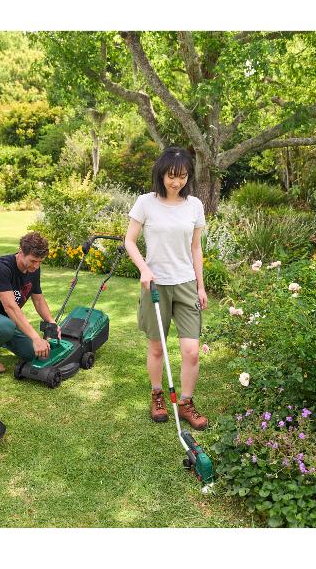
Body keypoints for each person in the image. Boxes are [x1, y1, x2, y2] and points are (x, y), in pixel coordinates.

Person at [124, 147, 209, 430]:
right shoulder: (145, 203)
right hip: (156, 284)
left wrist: (200, 286)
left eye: (182, 177)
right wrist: (144, 269)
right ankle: (157, 395)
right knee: (157, 348)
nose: (177, 182)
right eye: (172, 176)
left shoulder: (194, 205)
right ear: (161, 174)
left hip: (185, 284)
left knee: (191, 351)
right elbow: (129, 241)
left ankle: (185, 403)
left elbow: (196, 248)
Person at [0, 231, 60, 373]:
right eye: (33, 261)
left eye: (40, 262)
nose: (36, 266)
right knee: (5, 327)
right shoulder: (0, 267)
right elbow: (10, 307)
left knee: (34, 354)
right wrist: (36, 338)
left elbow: (38, 299)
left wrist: (52, 322)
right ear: (21, 251)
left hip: (7, 320)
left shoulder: (34, 269)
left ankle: (1, 338)